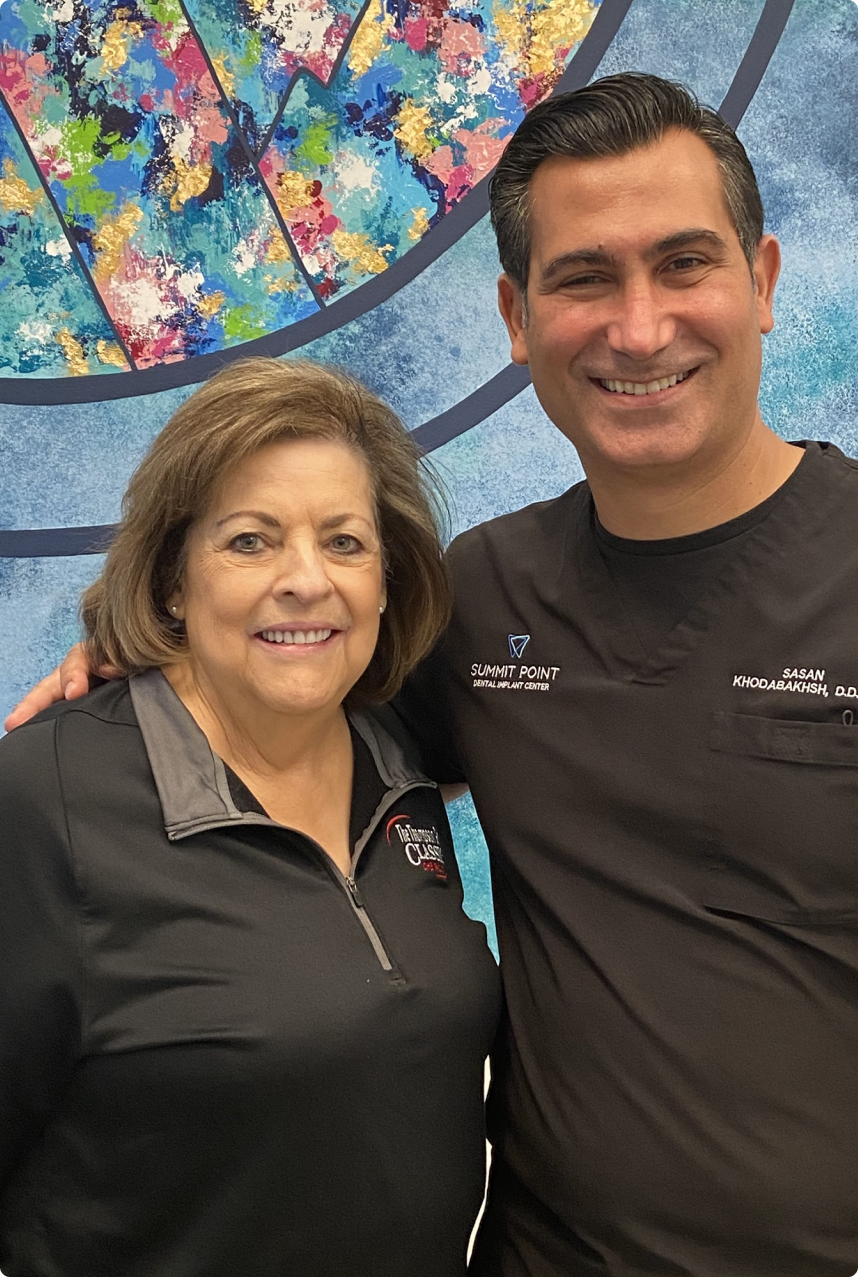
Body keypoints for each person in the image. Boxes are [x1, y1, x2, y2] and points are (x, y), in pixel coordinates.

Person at [8, 72, 858, 1275]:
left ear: (763, 281)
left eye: (683, 264)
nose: (638, 327)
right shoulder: (485, 598)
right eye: (584, 278)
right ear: (517, 316)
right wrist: (139, 656)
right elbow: (285, 697)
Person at [0, 357, 501, 1277]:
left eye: (344, 542)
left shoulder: (402, 760)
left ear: (385, 580)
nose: (306, 580)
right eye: (250, 541)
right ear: (172, 579)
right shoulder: (44, 800)